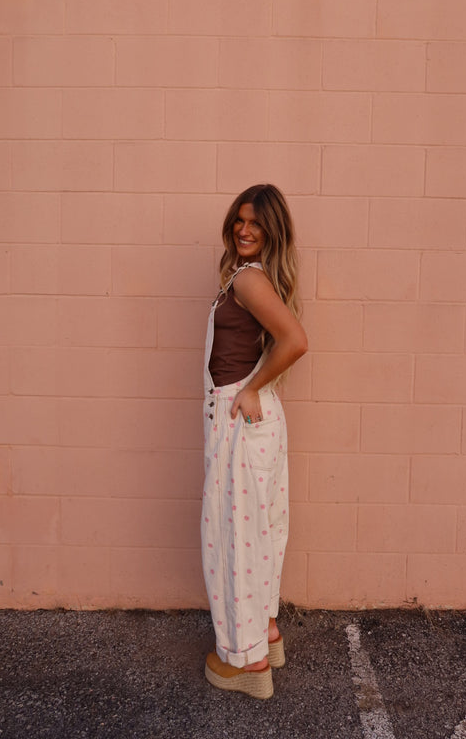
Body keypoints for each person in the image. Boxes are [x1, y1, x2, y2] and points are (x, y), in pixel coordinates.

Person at [201, 183, 308, 700]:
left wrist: (249, 389)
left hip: (240, 418)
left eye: (256, 224)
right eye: (239, 220)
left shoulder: (247, 280)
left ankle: (246, 662)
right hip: (254, 420)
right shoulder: (251, 275)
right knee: (259, 532)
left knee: (234, 538)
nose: (244, 230)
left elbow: (295, 340)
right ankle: (266, 632)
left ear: (271, 232)